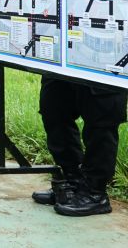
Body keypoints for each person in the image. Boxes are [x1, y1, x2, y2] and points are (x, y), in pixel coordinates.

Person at [31, 78, 128, 216]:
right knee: (52, 106)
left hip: (106, 61)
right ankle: (73, 181)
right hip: (64, 61)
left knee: (101, 119)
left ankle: (95, 193)